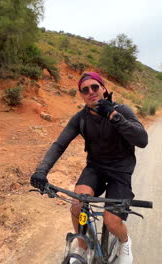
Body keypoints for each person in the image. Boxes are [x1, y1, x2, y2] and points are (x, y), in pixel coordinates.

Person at [30, 72, 148, 264]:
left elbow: (142, 140)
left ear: (104, 89)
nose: (90, 92)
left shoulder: (122, 111)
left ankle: (124, 242)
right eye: (85, 90)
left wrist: (113, 116)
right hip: (96, 168)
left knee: (111, 221)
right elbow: (59, 145)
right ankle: (83, 248)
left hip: (120, 171)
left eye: (95, 87)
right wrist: (42, 171)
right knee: (77, 205)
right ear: (81, 95)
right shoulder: (80, 118)